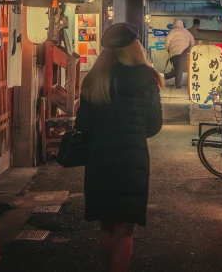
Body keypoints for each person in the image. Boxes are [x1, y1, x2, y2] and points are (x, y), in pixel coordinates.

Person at [76, 22, 163, 272]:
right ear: (135, 47)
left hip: (100, 158)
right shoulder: (147, 77)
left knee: (107, 225)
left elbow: (84, 123)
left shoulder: (95, 78)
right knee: (125, 229)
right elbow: (154, 125)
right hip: (132, 161)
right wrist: (133, 133)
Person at [163, 19, 195, 89]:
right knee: (180, 68)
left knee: (176, 67)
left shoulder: (172, 31)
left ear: (174, 24)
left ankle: (177, 82)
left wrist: (168, 49)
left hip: (174, 52)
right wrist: (189, 50)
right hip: (184, 52)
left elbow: (167, 41)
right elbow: (192, 42)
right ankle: (178, 83)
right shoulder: (187, 32)